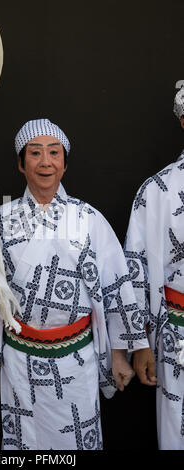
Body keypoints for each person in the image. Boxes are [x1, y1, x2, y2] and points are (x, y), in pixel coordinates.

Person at [0, 118, 149, 450]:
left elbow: (116, 288)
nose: (46, 162)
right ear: (20, 163)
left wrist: (119, 355)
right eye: (35, 153)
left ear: (64, 162)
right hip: (20, 361)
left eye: (54, 153)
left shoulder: (89, 219)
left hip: (77, 360)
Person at [125, 89, 184, 450]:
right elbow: (135, 270)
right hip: (178, 330)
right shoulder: (158, 190)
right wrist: (140, 342)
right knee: (178, 425)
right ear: (182, 120)